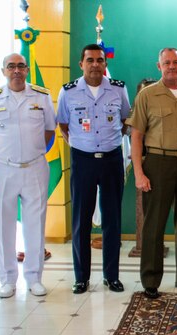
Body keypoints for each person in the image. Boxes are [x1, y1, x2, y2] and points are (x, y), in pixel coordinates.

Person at [128, 48, 177, 299]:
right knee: (154, 224)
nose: (171, 66)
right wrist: (139, 173)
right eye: (166, 63)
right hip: (157, 163)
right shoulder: (147, 95)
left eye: (175, 62)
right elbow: (137, 136)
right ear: (159, 66)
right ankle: (151, 280)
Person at [0, 53, 56, 298]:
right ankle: (7, 279)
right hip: (4, 169)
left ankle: (34, 277)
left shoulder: (41, 96)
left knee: (35, 224)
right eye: (11, 67)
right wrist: (7, 153)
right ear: (3, 71)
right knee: (4, 224)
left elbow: (48, 130)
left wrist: (30, 153)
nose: (16, 71)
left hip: (35, 168)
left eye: (21, 66)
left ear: (26, 70)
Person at [57, 44, 131, 294]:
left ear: (105, 64)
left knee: (112, 220)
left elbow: (124, 122)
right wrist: (82, 144)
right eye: (90, 60)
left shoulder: (118, 89)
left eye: (100, 60)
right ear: (81, 64)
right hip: (83, 160)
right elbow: (64, 125)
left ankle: (112, 276)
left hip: (111, 159)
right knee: (81, 221)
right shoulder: (68, 92)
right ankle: (81, 277)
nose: (95, 65)